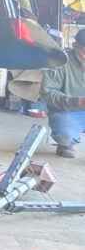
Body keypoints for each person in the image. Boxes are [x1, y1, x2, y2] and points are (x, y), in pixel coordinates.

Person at [41, 28, 85, 158]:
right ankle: (66, 143)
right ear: (75, 46)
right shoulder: (60, 62)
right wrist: (77, 101)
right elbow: (47, 94)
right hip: (68, 111)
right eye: (84, 51)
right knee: (65, 131)